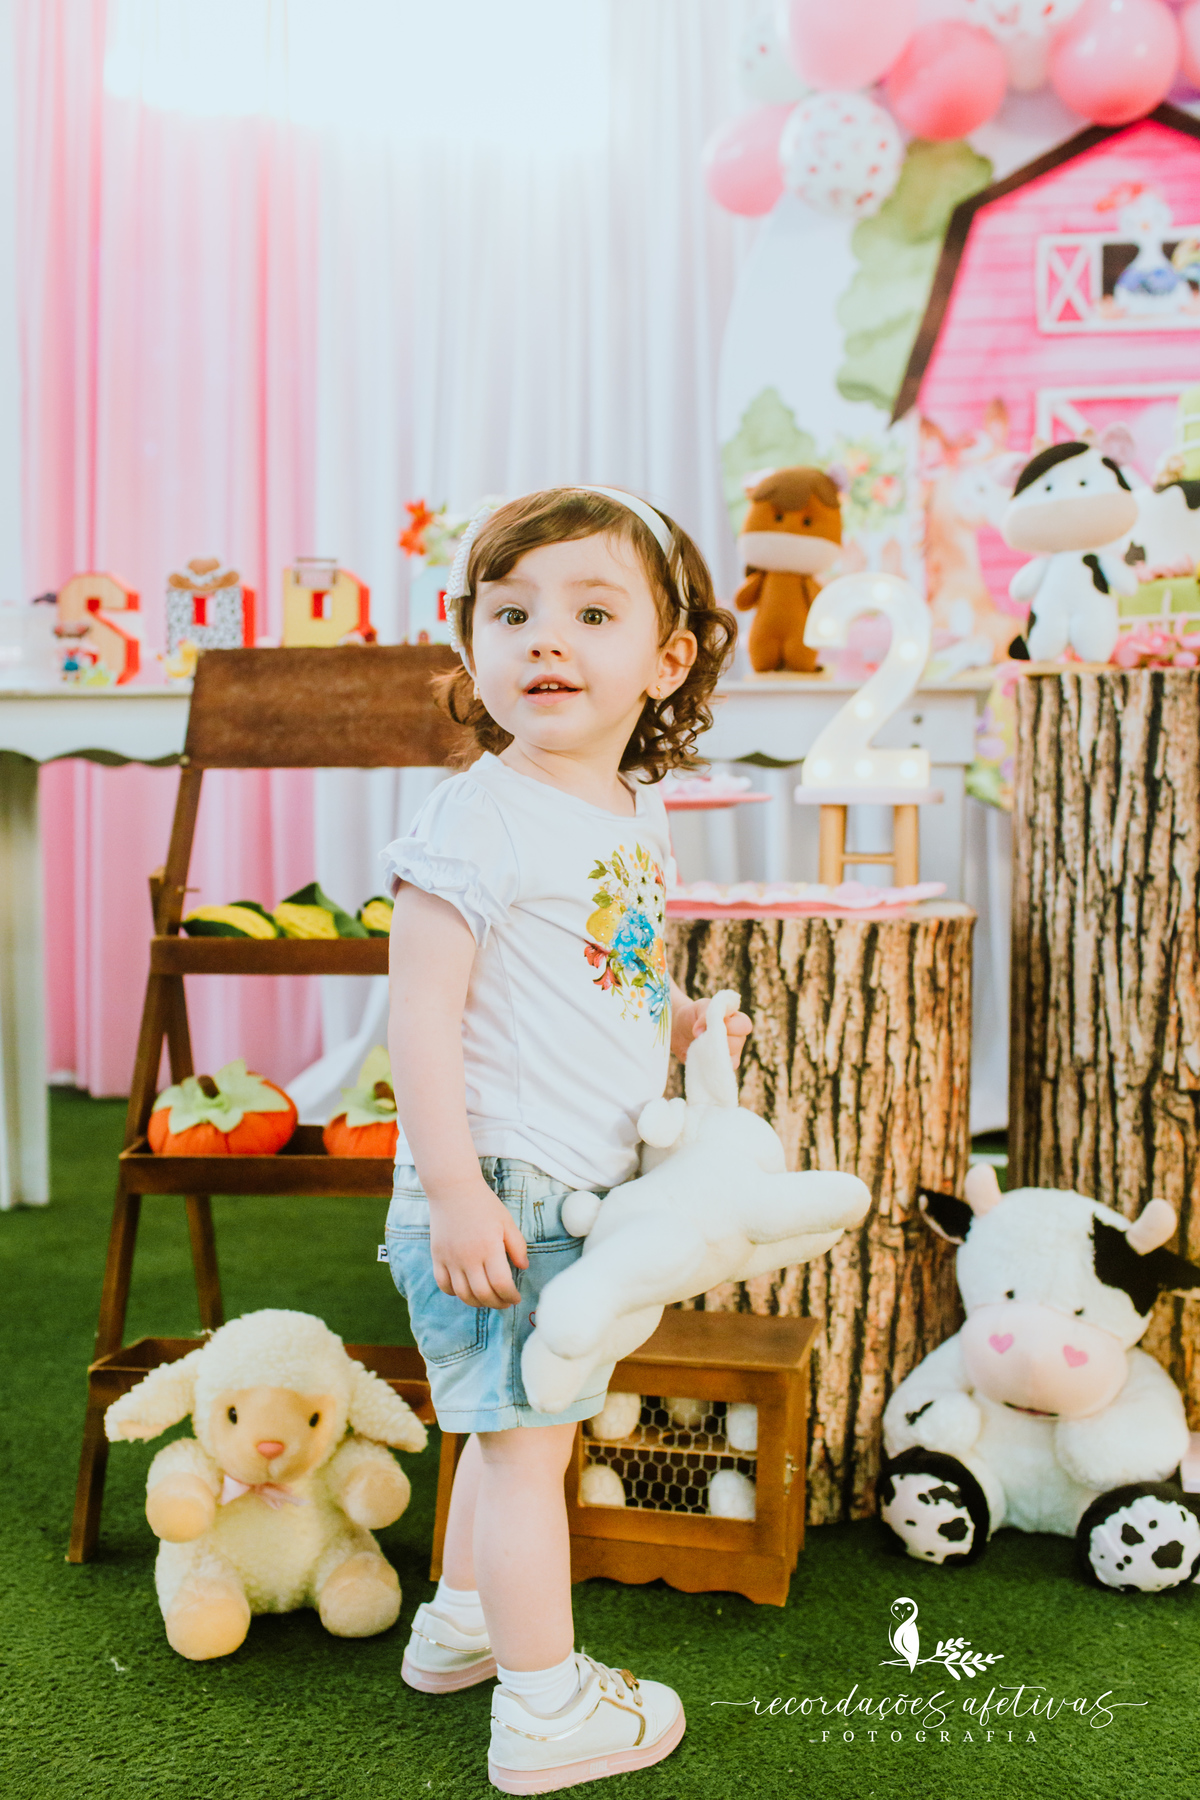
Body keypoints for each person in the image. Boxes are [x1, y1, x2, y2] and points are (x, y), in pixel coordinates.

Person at [382, 485, 748, 1793]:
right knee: (533, 1450)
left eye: (591, 613)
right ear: (467, 640)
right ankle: (545, 1713)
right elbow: (420, 1014)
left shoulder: (624, 815)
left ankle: (465, 1624)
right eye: (513, 612)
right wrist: (456, 1190)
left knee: (507, 1430)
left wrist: (677, 1015)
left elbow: (602, 974)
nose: (546, 640)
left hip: (563, 1189)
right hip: (500, 1187)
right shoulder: (478, 817)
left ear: (667, 658)